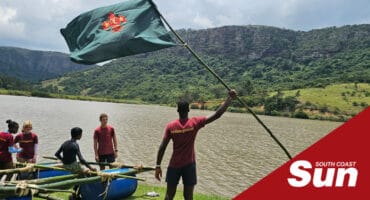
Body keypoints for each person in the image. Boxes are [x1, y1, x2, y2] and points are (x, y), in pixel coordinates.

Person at [155, 89, 237, 200]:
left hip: (174, 165)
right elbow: (217, 115)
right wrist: (229, 99)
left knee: (169, 195)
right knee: (188, 196)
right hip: (189, 165)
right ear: (188, 110)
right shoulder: (194, 123)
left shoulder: (171, 126)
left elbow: (162, 147)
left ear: (177, 111)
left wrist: (158, 166)